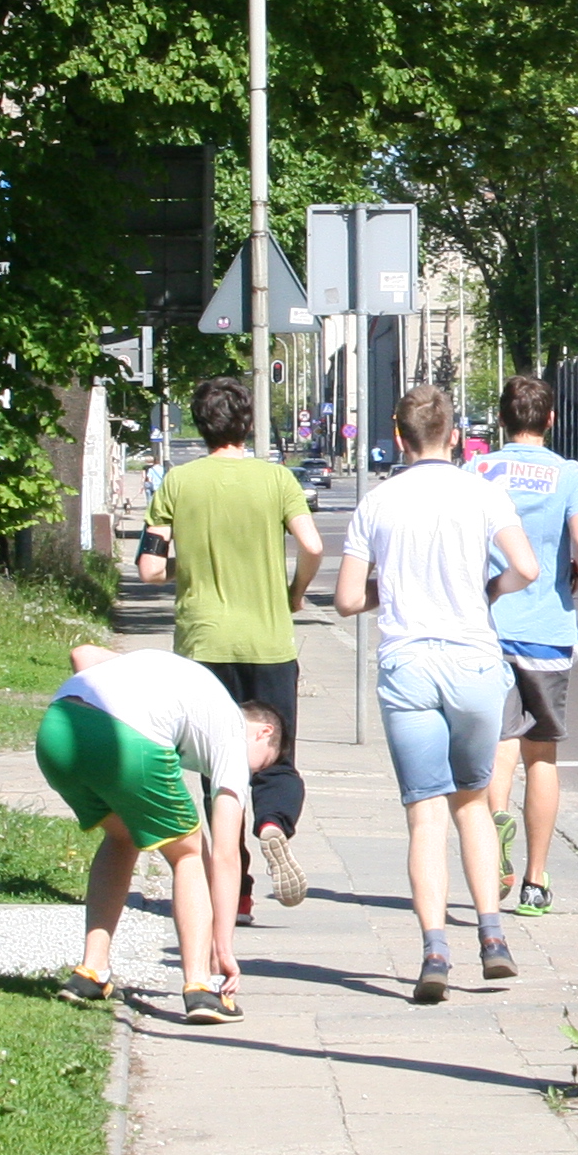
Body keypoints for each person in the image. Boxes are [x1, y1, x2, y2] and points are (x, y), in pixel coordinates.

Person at [334, 383, 539, 1003]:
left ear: (399, 437)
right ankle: (493, 938)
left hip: (408, 667)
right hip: (474, 663)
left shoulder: (378, 502)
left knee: (425, 815)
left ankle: (433, 952)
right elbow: (527, 568)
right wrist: (488, 591)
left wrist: (386, 595)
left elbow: (346, 600)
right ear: (454, 437)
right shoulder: (482, 492)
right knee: (472, 804)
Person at [138, 378, 322, 914]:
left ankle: (235, 891)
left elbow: (150, 568)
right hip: (268, 645)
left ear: (200, 425)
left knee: (216, 768)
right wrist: (295, 591)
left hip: (202, 648)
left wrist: (188, 563)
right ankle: (273, 822)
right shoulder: (277, 480)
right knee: (275, 759)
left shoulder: (177, 483)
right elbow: (311, 545)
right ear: (247, 424)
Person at [34, 643, 271, 1023]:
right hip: (130, 738)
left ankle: (91, 972)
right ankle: (199, 986)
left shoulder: (170, 673)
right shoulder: (231, 729)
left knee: (122, 835)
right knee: (191, 853)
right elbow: (227, 856)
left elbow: (82, 654)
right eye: (262, 767)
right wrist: (222, 948)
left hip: (58, 730)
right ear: (263, 732)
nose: (252, 775)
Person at [475, 375, 578, 918]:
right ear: (550, 420)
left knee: (499, 744)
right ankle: (535, 879)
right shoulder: (569, 474)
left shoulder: (475, 471)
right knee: (541, 753)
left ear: (501, 419)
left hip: (485, 626)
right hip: (546, 629)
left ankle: (494, 828)